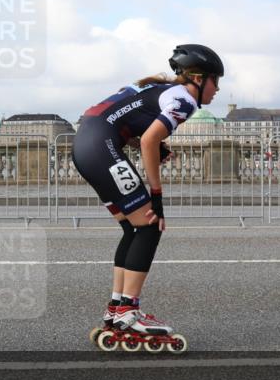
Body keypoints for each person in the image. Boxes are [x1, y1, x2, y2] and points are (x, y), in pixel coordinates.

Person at [77, 44, 223, 353]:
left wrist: (150, 143)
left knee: (134, 228)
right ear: (197, 78)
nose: (217, 89)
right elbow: (147, 140)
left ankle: (117, 309)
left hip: (86, 143)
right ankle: (129, 312)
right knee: (149, 225)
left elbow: (119, 115)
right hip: (100, 146)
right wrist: (156, 195)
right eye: (215, 80)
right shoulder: (183, 99)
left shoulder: (154, 88)